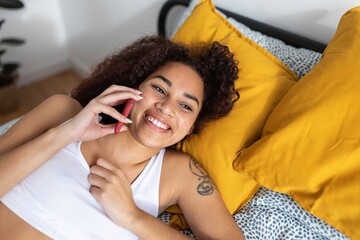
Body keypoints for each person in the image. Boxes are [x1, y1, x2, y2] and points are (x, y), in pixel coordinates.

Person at [0, 35, 244, 240]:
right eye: (159, 89)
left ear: (192, 127)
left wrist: (133, 216)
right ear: (135, 87)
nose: (167, 107)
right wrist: (65, 134)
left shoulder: (180, 174)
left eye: (186, 106)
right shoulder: (63, 112)